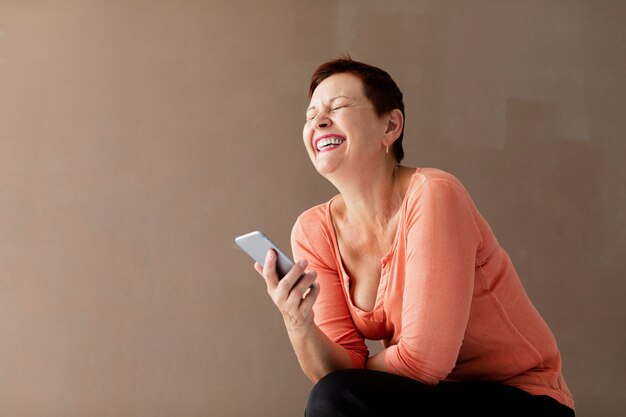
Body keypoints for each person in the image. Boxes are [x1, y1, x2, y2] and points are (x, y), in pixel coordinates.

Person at [253, 57, 575, 417]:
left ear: (390, 126)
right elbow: (332, 373)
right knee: (333, 395)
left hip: (520, 399)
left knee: (335, 397)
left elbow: (424, 362)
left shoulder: (435, 194)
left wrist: (352, 376)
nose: (319, 121)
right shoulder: (313, 230)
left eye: (339, 106)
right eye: (311, 115)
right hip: (424, 398)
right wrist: (299, 323)